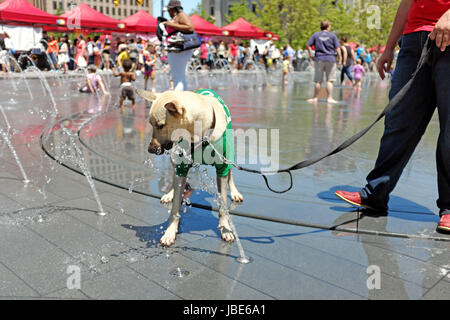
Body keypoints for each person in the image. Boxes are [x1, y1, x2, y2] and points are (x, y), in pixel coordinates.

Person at [334, 0, 450, 233]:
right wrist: (389, 47)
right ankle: (375, 193)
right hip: (413, 41)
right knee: (398, 121)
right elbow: (406, 3)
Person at [306, 20, 341, 104]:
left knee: (318, 80)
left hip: (319, 59)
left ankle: (315, 98)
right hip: (330, 59)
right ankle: (329, 98)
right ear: (328, 26)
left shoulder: (315, 35)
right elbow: (337, 48)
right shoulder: (332, 36)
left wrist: (311, 54)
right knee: (330, 80)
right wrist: (340, 57)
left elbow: (308, 45)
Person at [163, 0, 194, 90]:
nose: (168, 12)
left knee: (177, 77)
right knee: (179, 76)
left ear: (173, 9)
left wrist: (171, 24)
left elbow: (190, 27)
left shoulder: (181, 15)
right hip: (177, 50)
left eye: (169, 10)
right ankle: (182, 97)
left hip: (180, 50)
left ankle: (178, 99)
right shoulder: (178, 17)